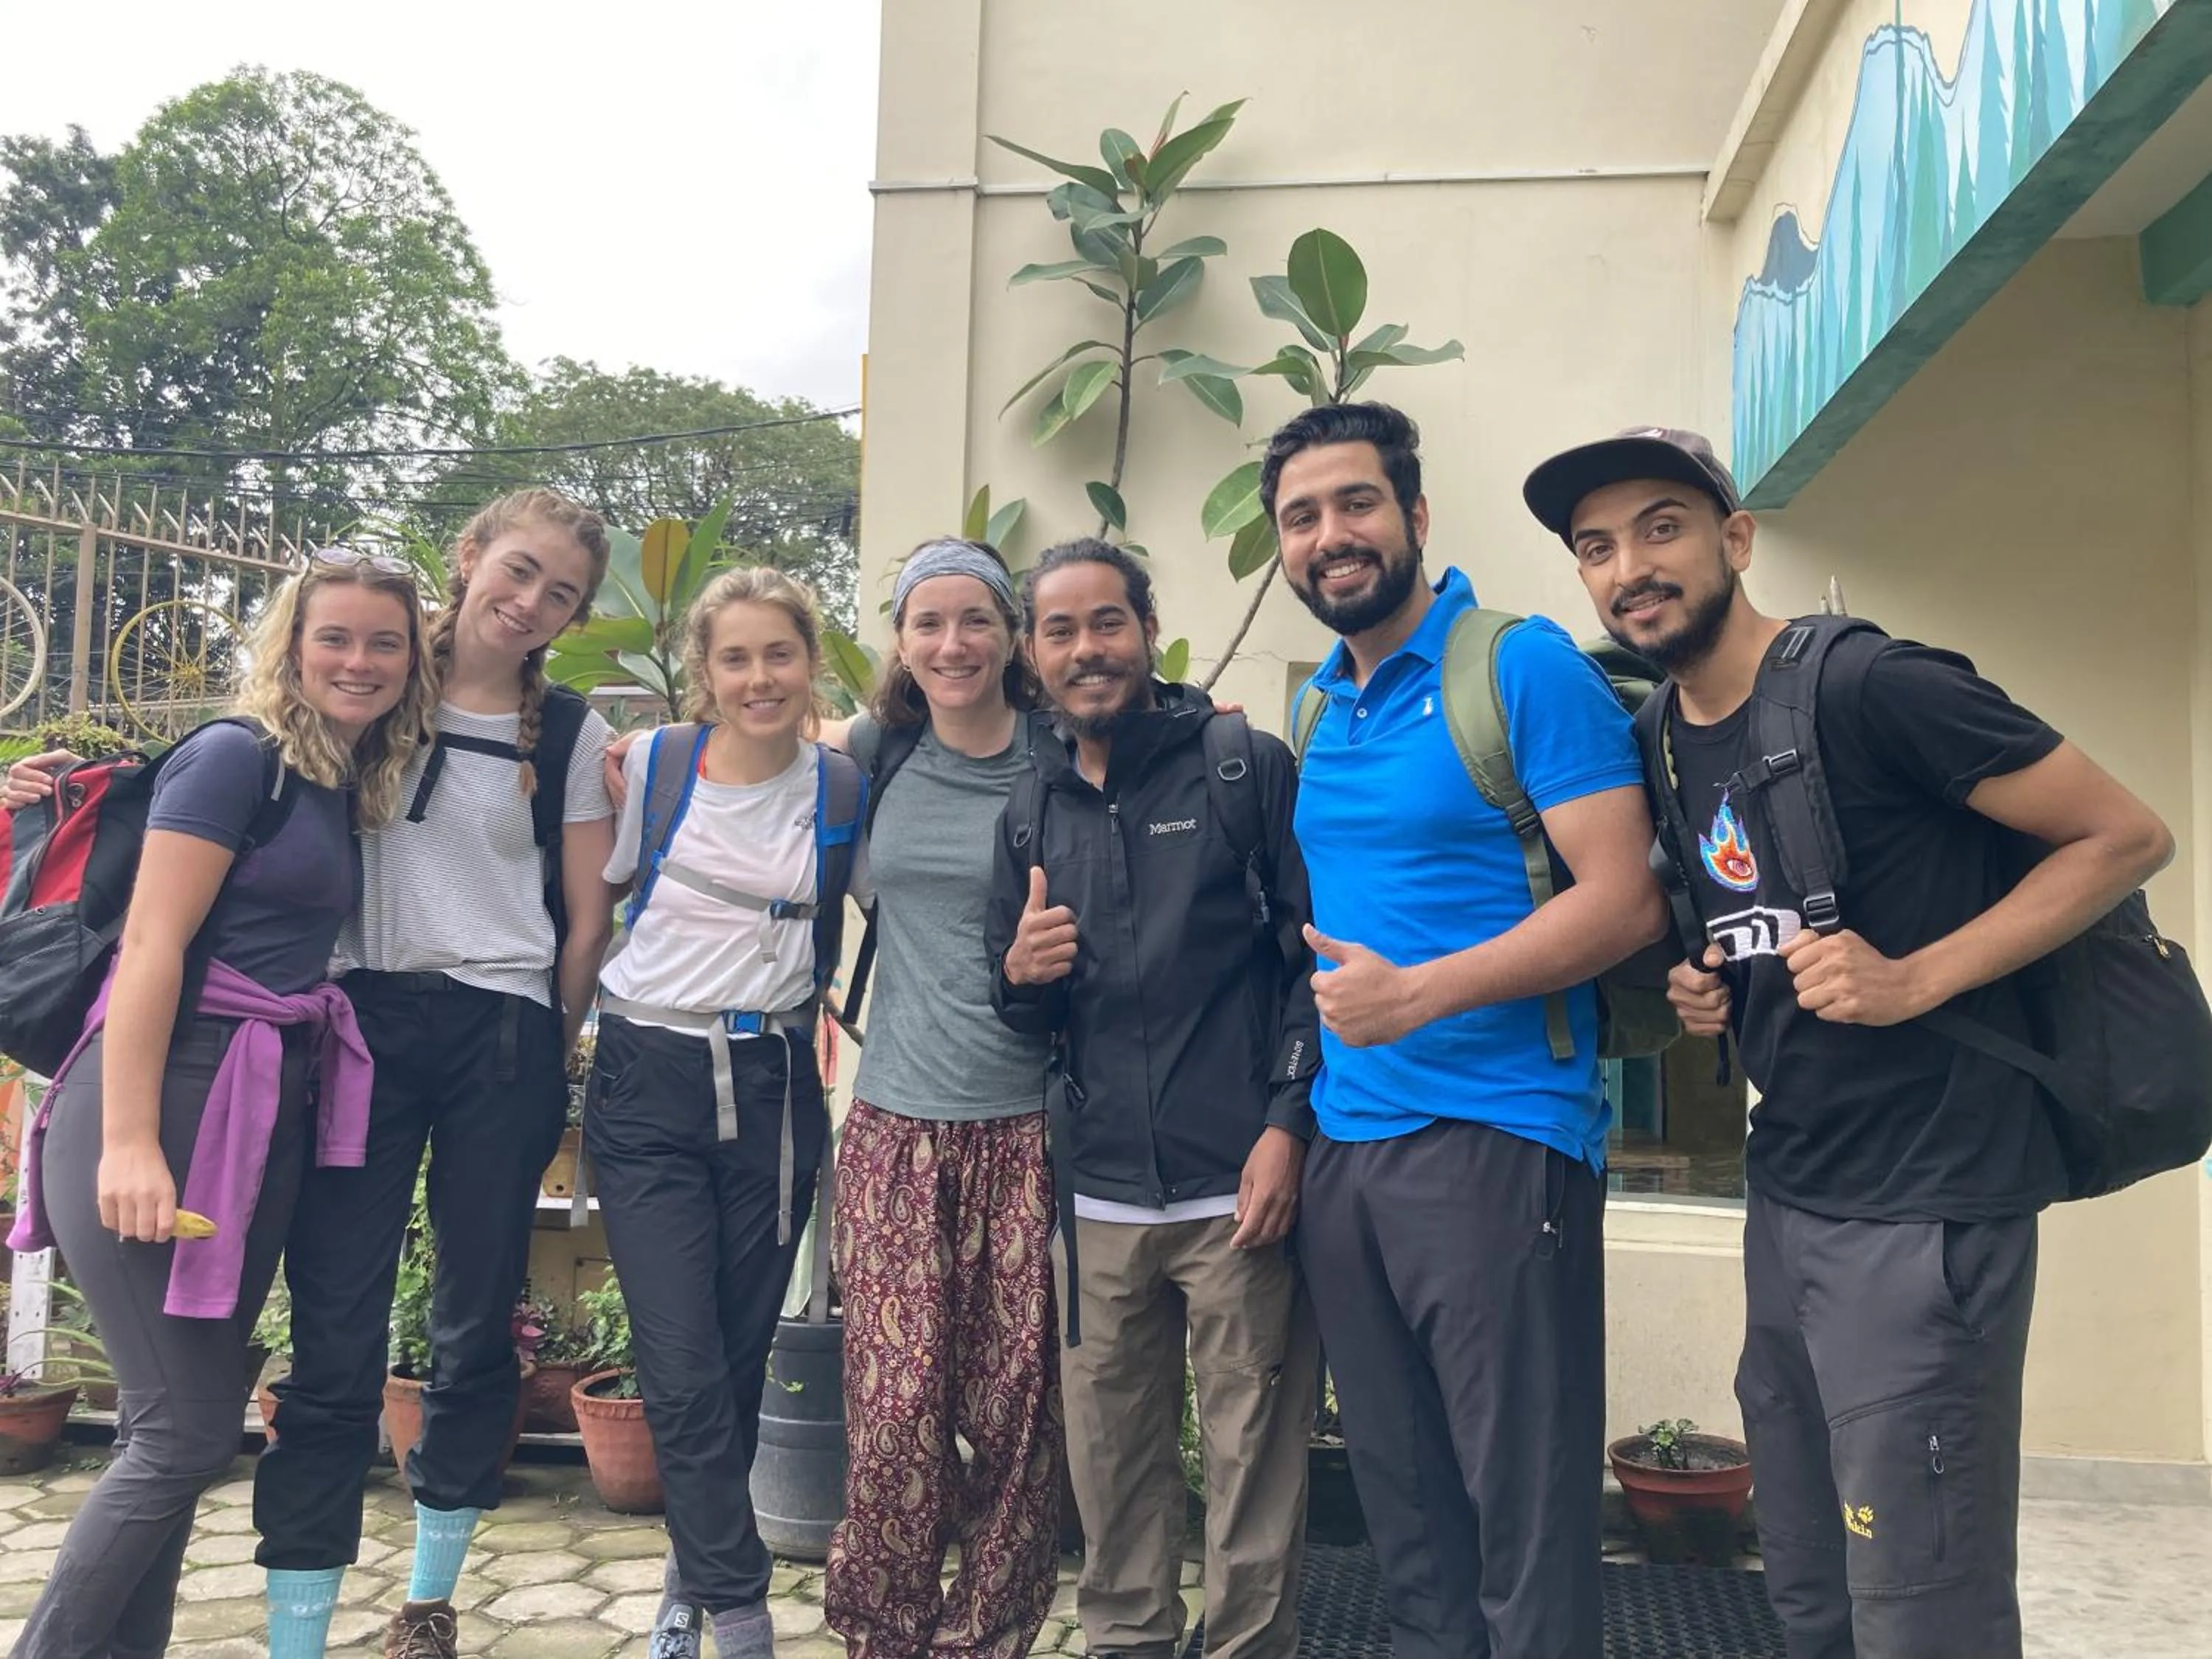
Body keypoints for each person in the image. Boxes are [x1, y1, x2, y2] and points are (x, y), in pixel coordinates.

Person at [1525, 425, 2174, 1659]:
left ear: (1736, 537)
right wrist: (1707, 982)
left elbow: (2122, 836)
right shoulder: (1664, 729)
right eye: (1597, 547)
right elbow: (1751, 910)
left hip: (1929, 1201)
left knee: (1924, 1607)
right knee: (1812, 1590)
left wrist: (1916, 975)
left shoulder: (1875, 684)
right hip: (1797, 1189)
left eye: (1662, 526)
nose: (1629, 569)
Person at [1, 490, 617, 1659]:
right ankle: (294, 1632)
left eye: (563, 594)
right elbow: (197, 817)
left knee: (467, 1324)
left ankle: (426, 1603)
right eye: (518, 570)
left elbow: (585, 920)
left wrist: (547, 1041)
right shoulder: (360, 700)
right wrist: (47, 787)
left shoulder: (552, 727)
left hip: (477, 1036)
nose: (530, 603)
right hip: (339, 1037)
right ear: (471, 557)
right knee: (321, 1344)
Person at [1264, 403, 1665, 1659]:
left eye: (1357, 503)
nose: (1333, 535)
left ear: (1417, 516)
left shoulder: (1520, 665)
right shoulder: (1321, 711)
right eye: (1302, 516)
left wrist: (1422, 997)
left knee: (1523, 1517)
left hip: (1498, 1140)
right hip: (1349, 1148)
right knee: (1406, 1511)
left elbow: (1627, 894)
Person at [5, 550, 435, 1659]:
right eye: (334, 635)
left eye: (385, 640)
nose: (359, 659)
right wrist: (132, 1143)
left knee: (173, 1433)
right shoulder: (235, 758)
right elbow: (150, 945)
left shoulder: (340, 777)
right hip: (165, 1097)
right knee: (186, 1433)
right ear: (291, 644)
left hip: (255, 1112)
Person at [986, 538, 1321, 1659]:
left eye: (1108, 622)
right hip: (1100, 1202)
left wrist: (1286, 1125)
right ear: (1033, 656)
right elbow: (1024, 1011)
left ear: (1147, 630)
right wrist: (1020, 977)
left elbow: (1311, 966)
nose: (1089, 650)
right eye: (1062, 630)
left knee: (1253, 1462)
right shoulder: (1027, 807)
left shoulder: (1241, 765)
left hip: (1242, 1189)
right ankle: (1127, 1642)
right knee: (1113, 1467)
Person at [593, 566, 868, 1659]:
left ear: (809, 662)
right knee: (678, 1356)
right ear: (703, 673)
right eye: (736, 657)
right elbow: (584, 897)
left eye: (780, 654)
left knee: (739, 1352)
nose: (760, 677)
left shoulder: (843, 787)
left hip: (774, 1089)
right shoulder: (653, 765)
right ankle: (742, 1614)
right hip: (644, 1075)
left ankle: (683, 1587)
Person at [821, 538, 1065, 1659]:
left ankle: (994, 1635)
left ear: (1013, 633)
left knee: (1016, 1420)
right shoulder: (879, 750)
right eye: (928, 623)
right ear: (902, 641)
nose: (952, 643)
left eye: (976, 620)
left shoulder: (1065, 756)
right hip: (894, 1130)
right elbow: (758, 745)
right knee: (894, 1413)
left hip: (1031, 1129)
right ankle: (885, 1632)